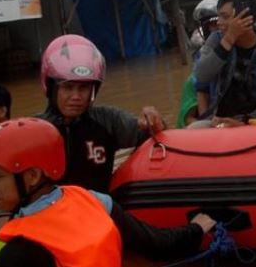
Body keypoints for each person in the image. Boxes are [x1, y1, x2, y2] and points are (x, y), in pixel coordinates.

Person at [0, 117, 216, 267]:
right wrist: (197, 228)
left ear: (33, 176)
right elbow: (156, 243)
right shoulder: (92, 199)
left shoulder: (18, 252)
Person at [36, 34, 165, 193]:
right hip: (55, 213)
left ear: (93, 90)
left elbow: (152, 134)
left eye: (83, 88)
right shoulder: (34, 131)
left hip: (99, 209)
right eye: (68, 87)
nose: (76, 96)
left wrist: (153, 120)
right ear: (51, 88)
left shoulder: (108, 120)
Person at [193, 0, 256, 127]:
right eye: (218, 16)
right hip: (220, 120)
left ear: (245, 18)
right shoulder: (217, 39)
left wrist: (246, 121)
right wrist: (228, 40)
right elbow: (201, 75)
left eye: (224, 17)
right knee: (193, 130)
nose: (219, 23)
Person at [178, 0, 221, 128]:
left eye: (218, 22)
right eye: (211, 24)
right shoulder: (200, 47)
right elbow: (201, 86)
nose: (217, 28)